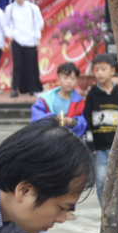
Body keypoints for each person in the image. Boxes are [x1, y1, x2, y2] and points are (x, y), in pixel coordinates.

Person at [32, 61, 86, 220]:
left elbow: (83, 122)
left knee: (70, 176)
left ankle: (68, 209)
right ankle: (45, 206)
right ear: (59, 78)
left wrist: (71, 122)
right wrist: (53, 119)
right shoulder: (45, 99)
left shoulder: (79, 101)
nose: (69, 81)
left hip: (69, 145)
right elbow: (36, 118)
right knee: (48, 175)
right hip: (48, 143)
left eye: (73, 79)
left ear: (77, 81)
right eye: (66, 77)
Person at [84, 53, 118, 204]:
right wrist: (90, 144)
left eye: (103, 69)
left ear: (112, 71)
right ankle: (105, 210)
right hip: (100, 148)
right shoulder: (92, 95)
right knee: (101, 180)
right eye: (96, 70)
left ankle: (116, 209)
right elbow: (87, 119)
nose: (99, 73)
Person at [4, 0, 43, 98]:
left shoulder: (33, 8)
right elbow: (5, 24)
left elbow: (38, 24)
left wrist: (38, 39)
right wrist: (9, 35)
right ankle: (15, 89)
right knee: (17, 65)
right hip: (16, 40)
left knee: (30, 66)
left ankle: (32, 88)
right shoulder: (9, 8)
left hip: (30, 40)